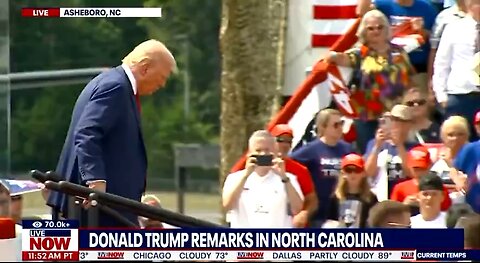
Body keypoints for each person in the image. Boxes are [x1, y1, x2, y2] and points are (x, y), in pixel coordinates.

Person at [47, 39, 176, 227]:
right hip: (96, 212)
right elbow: (87, 132)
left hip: (106, 210)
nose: (163, 84)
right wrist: (95, 180)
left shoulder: (114, 84)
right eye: (163, 77)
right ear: (145, 67)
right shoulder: (116, 87)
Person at [325, 10, 415, 153]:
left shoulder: (399, 52)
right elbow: (341, 59)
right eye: (371, 28)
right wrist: (332, 55)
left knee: (395, 153)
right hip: (368, 116)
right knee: (369, 153)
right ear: (364, 31)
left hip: (396, 115)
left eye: (380, 27)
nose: (376, 31)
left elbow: (410, 78)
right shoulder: (360, 53)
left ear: (387, 29)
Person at [229, 124, 318, 227]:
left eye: (289, 141)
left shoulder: (299, 171)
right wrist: (247, 173)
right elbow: (227, 203)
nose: (285, 144)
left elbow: (310, 199)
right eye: (280, 140)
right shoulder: (244, 168)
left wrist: (304, 213)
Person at [290, 109, 353, 227]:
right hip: (318, 212)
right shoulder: (310, 150)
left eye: (341, 124)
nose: (340, 128)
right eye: (335, 125)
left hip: (342, 209)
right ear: (323, 127)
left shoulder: (347, 149)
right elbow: (291, 166)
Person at [432, 0, 480, 141]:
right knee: (456, 143)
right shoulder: (454, 28)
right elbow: (441, 63)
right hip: (459, 96)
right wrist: (441, 97)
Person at [365, 105, 420, 201]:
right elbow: (368, 172)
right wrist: (377, 146)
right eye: (393, 119)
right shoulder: (374, 143)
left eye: (401, 121)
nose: (396, 124)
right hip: (379, 198)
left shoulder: (416, 148)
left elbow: (411, 173)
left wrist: (399, 145)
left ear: (409, 125)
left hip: (403, 198)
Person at [390, 146, 452, 215]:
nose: (419, 172)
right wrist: (405, 205)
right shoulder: (400, 188)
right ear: (409, 166)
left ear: (429, 165)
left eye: (422, 168)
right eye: (416, 168)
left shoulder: (439, 189)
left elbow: (448, 212)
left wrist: (428, 204)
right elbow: (392, 214)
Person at [326, 154, 378, 228]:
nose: (353, 174)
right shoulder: (336, 197)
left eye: (357, 170)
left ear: (363, 173)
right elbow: (331, 221)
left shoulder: (371, 198)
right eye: (348, 170)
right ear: (343, 173)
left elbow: (375, 222)